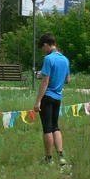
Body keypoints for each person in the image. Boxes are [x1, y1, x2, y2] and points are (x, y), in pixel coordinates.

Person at [33, 33, 70, 167]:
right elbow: (67, 79)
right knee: (56, 127)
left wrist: (38, 101)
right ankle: (61, 156)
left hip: (47, 97)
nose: (43, 51)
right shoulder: (65, 59)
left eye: (42, 48)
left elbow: (45, 82)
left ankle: (48, 158)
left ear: (46, 45)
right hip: (58, 97)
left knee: (47, 129)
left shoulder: (48, 59)